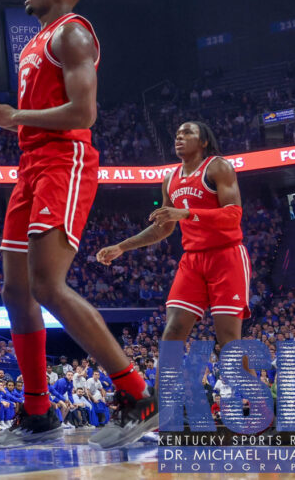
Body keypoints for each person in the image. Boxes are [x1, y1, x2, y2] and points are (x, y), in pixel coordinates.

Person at [0, 0, 153, 449]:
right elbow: (36, 119)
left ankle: (138, 394)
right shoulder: (34, 43)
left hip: (65, 162)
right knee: (14, 292)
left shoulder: (73, 34)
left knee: (46, 285)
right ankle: (38, 412)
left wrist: (15, 114)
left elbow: (84, 114)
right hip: (32, 164)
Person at [97, 121, 248, 445]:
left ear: (204, 140)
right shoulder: (170, 178)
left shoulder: (217, 166)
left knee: (229, 340)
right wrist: (122, 246)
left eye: (187, 133)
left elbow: (233, 215)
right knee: (173, 330)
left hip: (226, 257)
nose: (179, 137)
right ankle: (161, 410)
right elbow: (163, 227)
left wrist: (187, 214)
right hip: (192, 260)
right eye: (176, 133)